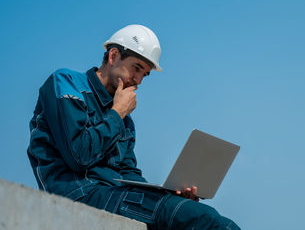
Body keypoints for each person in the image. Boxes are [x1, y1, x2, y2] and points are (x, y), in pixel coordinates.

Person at [27, 24, 240, 229]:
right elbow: (78, 156)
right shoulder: (66, 82)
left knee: (196, 213)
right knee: (205, 220)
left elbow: (128, 173)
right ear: (113, 56)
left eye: (144, 74)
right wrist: (117, 113)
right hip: (77, 193)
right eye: (136, 68)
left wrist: (169, 193)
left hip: (115, 195)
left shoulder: (124, 119)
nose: (138, 80)